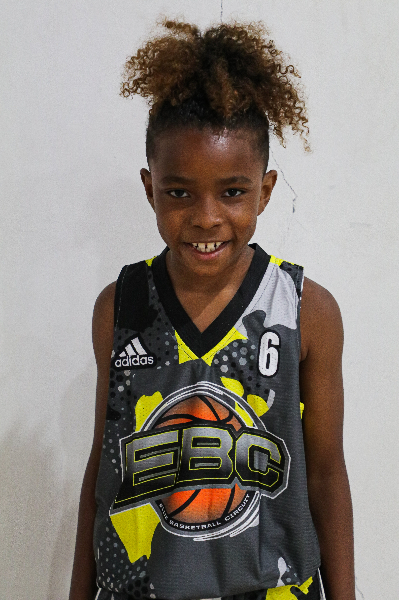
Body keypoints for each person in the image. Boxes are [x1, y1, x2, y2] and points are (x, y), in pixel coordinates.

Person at [69, 19, 355, 600]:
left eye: (232, 191)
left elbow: (326, 474)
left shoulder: (306, 310)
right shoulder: (119, 308)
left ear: (265, 191)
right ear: (149, 188)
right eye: (179, 192)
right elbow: (104, 470)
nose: (205, 217)